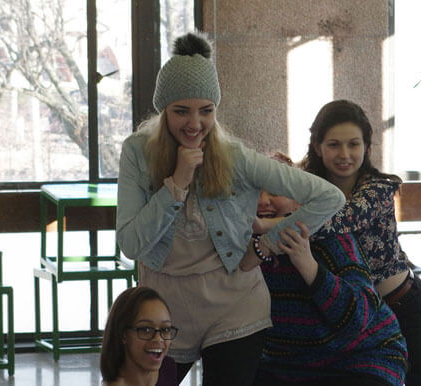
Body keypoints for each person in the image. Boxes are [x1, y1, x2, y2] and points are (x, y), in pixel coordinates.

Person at [116, 33, 345, 386]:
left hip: (234, 308)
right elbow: (130, 243)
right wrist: (176, 184)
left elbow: (328, 198)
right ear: (163, 111)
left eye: (206, 111)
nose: (195, 124)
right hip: (163, 310)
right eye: (181, 111)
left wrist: (264, 247)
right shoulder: (137, 153)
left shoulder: (236, 158)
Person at [301, 100, 421, 385]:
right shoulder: (308, 189)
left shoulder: (378, 188)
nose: (344, 154)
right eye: (334, 145)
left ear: (367, 147)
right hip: (351, 319)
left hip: (404, 307)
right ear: (318, 147)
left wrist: (275, 226)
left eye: (353, 144)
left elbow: (340, 222)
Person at [250, 159, 408, 386]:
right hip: (286, 364)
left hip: (361, 358)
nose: (263, 201)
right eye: (254, 192)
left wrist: (308, 265)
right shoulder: (240, 243)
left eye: (276, 192)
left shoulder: (330, 238)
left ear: (298, 201)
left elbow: (358, 317)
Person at [100, 286, 179, 386]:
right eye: (146, 330)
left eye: (165, 329)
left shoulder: (167, 367)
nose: (158, 338)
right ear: (123, 334)